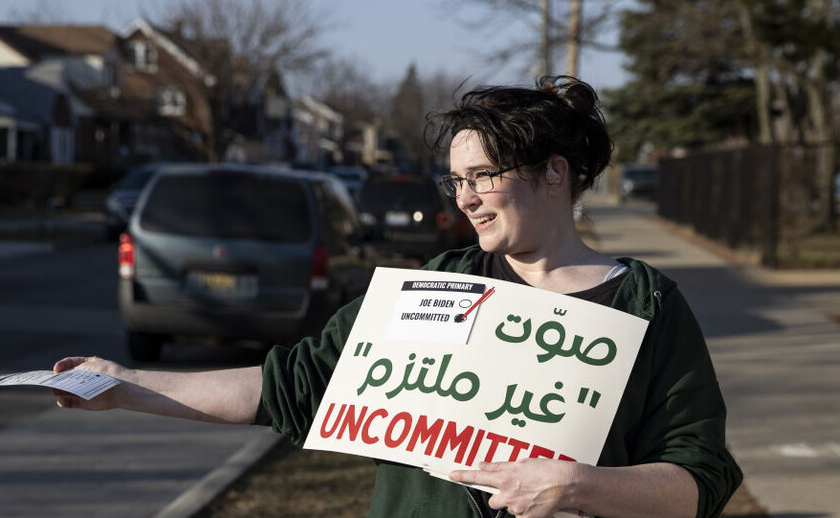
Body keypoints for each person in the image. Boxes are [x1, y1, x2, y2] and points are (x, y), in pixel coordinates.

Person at [53, 75, 742, 518]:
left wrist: (574, 484)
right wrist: (123, 384)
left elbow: (697, 479)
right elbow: (295, 383)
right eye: (456, 180)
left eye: (483, 175)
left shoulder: (645, 306)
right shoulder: (437, 285)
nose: (465, 197)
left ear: (554, 173)